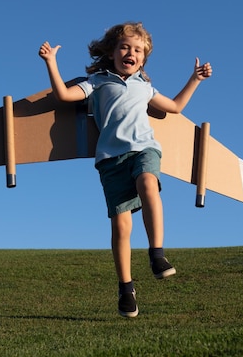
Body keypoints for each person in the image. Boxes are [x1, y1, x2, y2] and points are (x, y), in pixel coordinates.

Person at [38, 22, 212, 317]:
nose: (131, 52)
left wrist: (194, 80)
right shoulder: (98, 82)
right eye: (125, 47)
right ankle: (126, 288)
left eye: (138, 50)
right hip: (110, 159)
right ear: (112, 52)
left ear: (143, 59)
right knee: (121, 226)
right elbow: (64, 97)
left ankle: (157, 255)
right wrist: (51, 63)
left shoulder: (144, 87)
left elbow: (175, 107)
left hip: (144, 148)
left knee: (148, 184)